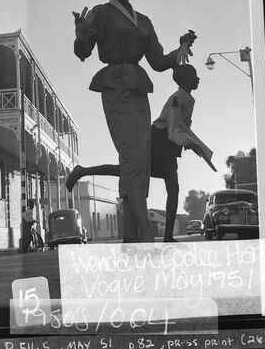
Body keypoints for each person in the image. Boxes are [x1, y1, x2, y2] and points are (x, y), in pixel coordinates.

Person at [72, 0, 196, 243]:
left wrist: (180, 47)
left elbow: (158, 62)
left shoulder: (144, 21)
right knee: (131, 158)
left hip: (139, 92)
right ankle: (147, 234)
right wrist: (79, 34)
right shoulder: (101, 13)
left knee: (139, 161)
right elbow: (83, 52)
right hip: (115, 88)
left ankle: (132, 240)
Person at [66, 64, 210, 243]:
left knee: (156, 181)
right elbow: (173, 128)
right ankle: (83, 171)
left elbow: (181, 126)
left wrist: (192, 143)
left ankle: (83, 171)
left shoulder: (187, 99)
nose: (197, 78)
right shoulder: (178, 98)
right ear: (183, 79)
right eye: (193, 74)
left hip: (169, 144)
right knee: (134, 172)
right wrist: (188, 141)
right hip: (160, 141)